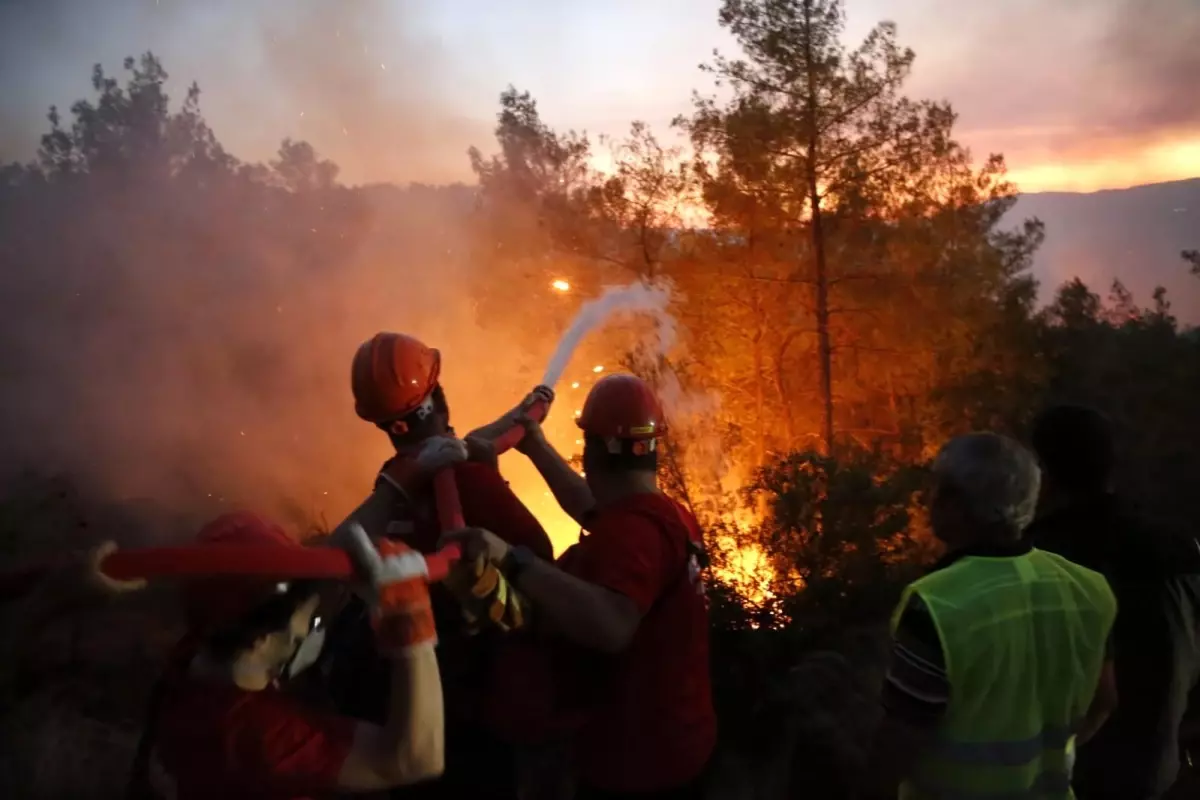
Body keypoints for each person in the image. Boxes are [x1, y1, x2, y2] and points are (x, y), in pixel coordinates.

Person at [444, 373, 716, 800]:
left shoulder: (633, 535)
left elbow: (611, 625)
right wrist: (533, 444)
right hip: (683, 742)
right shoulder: (666, 515)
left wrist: (514, 559)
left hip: (639, 766)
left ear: (592, 452)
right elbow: (590, 506)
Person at [321, 331, 555, 800]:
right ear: (439, 393)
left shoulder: (395, 486)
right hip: (469, 705)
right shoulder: (464, 479)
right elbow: (541, 556)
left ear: (382, 423)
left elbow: (339, 554)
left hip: (394, 698)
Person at [870, 432, 1118, 799]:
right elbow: (1104, 701)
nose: (931, 501)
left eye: (939, 491)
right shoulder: (1088, 588)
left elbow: (900, 743)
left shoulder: (937, 604)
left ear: (958, 503)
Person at [138, 511, 445, 799]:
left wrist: (400, 482)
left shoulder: (205, 646)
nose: (312, 623)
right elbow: (416, 759)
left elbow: (282, 594)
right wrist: (408, 614)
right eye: (306, 617)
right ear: (261, 641)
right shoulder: (259, 740)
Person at [1026, 405, 1200, 799]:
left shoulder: (1037, 558)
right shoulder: (1179, 550)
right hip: (1159, 772)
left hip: (1070, 777)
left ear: (1044, 473)